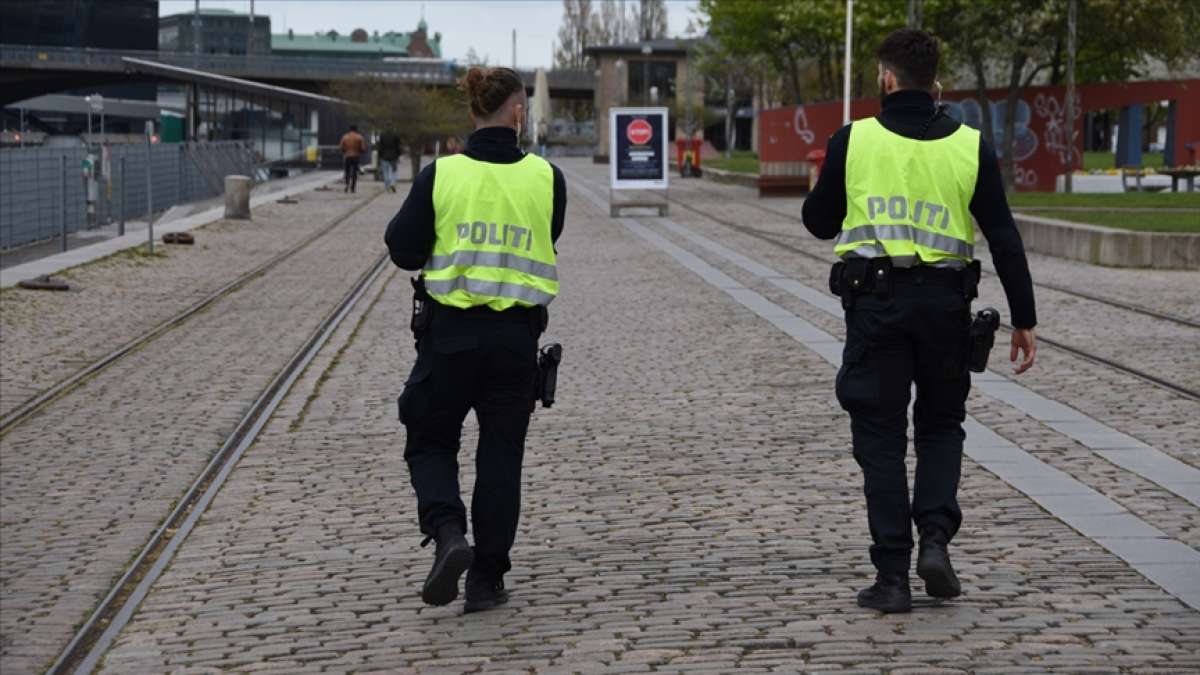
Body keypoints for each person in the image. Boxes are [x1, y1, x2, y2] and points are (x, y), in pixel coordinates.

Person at [801, 28, 1038, 614]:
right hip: (945, 308)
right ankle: (935, 539)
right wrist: (1024, 319)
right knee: (941, 425)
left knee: (880, 439)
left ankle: (892, 577)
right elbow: (1004, 236)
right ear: (936, 84)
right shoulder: (970, 145)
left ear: (885, 79)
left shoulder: (852, 140)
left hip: (876, 308)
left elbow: (818, 222)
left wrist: (838, 172)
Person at [384, 66, 567, 614]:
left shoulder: (441, 176)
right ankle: (486, 579)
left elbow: (403, 249)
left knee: (429, 438)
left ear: (472, 113)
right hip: (515, 342)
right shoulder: (546, 177)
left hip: (450, 338)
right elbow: (548, 235)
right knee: (501, 457)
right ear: (518, 113)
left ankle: (447, 533)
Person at [339, 124, 366, 193]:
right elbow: (363, 148)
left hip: (347, 156)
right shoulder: (359, 137)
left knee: (347, 171)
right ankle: (353, 187)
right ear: (356, 129)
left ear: (349, 129)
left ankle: (347, 184)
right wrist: (360, 152)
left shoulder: (345, 137)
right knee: (354, 172)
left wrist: (345, 152)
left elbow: (341, 147)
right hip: (356, 156)